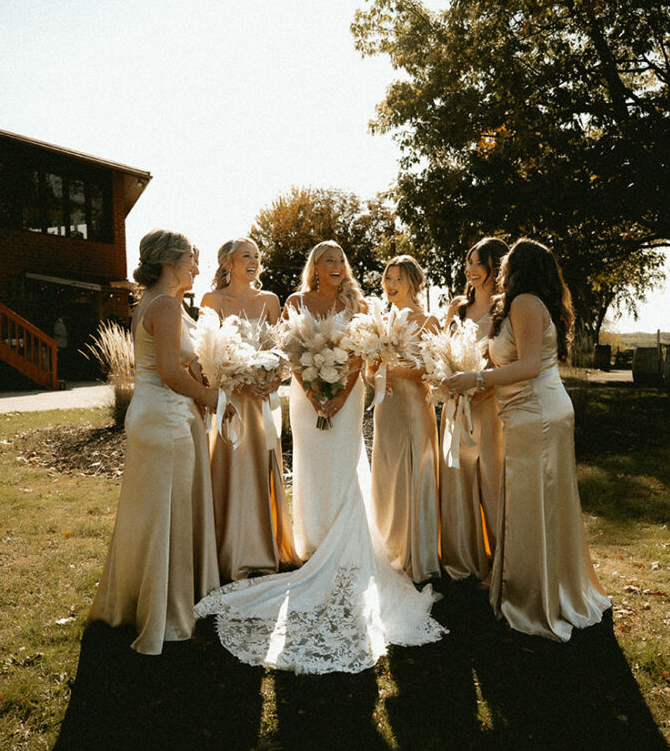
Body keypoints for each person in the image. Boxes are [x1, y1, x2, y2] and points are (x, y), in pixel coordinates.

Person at [195, 241, 445, 674]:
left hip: (347, 398)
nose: (335, 265)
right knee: (310, 468)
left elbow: (361, 356)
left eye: (339, 260)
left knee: (345, 464)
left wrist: (340, 396)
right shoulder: (294, 302)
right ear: (313, 266)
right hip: (307, 400)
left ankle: (345, 544)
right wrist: (314, 394)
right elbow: (291, 354)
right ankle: (312, 543)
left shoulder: (357, 302)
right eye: (327, 259)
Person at [443, 237, 610, 641]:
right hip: (531, 412)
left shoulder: (524, 303)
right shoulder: (525, 304)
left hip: (537, 414)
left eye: (505, 266)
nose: (499, 271)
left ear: (519, 269)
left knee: (530, 503)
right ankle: (541, 586)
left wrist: (475, 378)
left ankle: (533, 597)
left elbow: (530, 366)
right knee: (534, 502)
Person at [87, 229, 221, 655]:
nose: (197, 269)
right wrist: (208, 396)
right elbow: (167, 371)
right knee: (169, 515)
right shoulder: (163, 305)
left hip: (156, 414)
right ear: (171, 262)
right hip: (164, 419)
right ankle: (166, 616)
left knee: (152, 515)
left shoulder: (157, 303)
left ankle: (139, 602)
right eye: (191, 261)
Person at [200, 237, 299, 581]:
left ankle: (262, 550)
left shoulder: (270, 300)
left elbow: (282, 347)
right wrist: (239, 383)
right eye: (246, 256)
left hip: (261, 402)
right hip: (232, 402)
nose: (254, 261)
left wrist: (275, 380)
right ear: (228, 262)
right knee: (231, 469)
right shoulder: (212, 300)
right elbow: (206, 355)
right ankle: (230, 552)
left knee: (259, 468)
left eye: (257, 255)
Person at [366, 255, 441, 583]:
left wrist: (389, 370)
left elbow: (429, 369)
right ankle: (389, 549)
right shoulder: (379, 322)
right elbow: (370, 372)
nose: (390, 284)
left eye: (397, 278)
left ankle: (416, 554)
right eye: (387, 278)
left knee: (415, 471)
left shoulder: (429, 322)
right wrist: (374, 375)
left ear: (413, 281)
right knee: (388, 474)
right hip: (388, 409)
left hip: (413, 408)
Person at [439, 238, 508, 582]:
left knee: (492, 482)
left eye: (478, 263)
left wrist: (478, 392)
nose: (471, 270)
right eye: (468, 263)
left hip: (488, 406)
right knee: (458, 479)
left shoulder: (505, 309)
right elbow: (442, 352)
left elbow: (505, 362)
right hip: (455, 407)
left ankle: (504, 559)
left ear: (496, 265)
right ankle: (464, 558)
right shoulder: (458, 306)